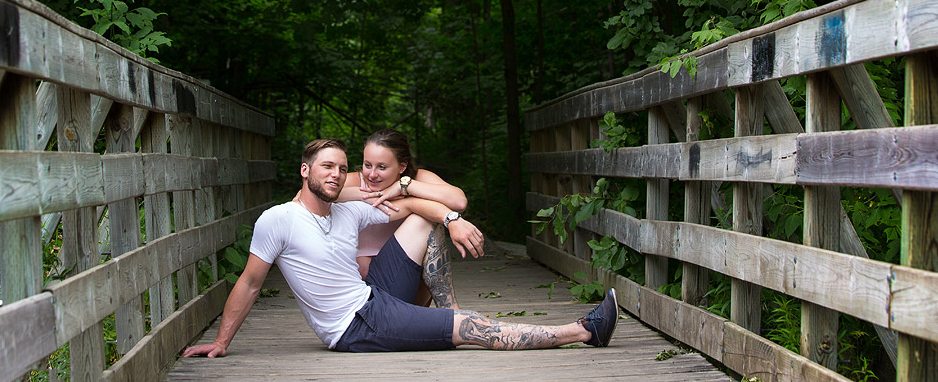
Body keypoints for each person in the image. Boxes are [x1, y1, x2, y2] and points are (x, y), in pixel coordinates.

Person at [182, 138, 618, 357]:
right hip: (354, 327)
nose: (337, 175)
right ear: (305, 171)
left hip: (372, 297)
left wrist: (451, 217)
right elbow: (251, 282)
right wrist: (221, 342)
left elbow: (412, 206)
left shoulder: (346, 211)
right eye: (327, 168)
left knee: (423, 222)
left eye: (342, 168)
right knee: (469, 329)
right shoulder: (279, 219)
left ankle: (447, 312)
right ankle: (583, 330)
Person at [336, 128, 466, 308]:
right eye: (367, 165)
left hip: (408, 280)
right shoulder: (355, 181)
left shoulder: (417, 178)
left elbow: (459, 201)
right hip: (362, 290)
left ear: (402, 166)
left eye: (382, 167)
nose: (372, 174)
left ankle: (450, 312)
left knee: (427, 219)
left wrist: (405, 187)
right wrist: (366, 194)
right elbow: (306, 196)